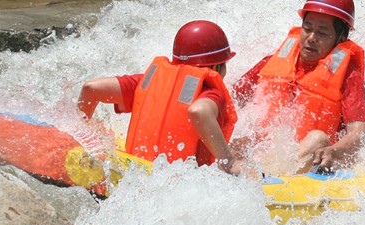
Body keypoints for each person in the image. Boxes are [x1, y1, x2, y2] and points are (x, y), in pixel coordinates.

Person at [77, 20, 245, 175]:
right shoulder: (210, 92)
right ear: (217, 66)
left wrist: (84, 138)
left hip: (132, 171)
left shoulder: (147, 82)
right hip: (180, 181)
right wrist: (228, 163)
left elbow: (91, 88)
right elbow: (198, 111)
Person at [232, 0, 365, 171]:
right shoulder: (272, 62)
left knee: (317, 138)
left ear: (341, 38)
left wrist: (334, 151)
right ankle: (252, 172)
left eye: (322, 32)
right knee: (240, 142)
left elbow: (357, 134)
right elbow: (232, 99)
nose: (311, 38)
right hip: (269, 151)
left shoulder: (349, 77)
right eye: (307, 28)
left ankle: (268, 176)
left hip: (314, 157)